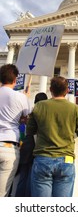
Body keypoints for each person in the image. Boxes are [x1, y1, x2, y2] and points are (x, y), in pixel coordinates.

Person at [26, 76, 78, 197]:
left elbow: (29, 131)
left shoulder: (39, 106)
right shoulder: (75, 108)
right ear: (67, 91)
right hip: (66, 159)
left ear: (50, 89)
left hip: (43, 158)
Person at [0, 64, 30, 197]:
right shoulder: (20, 97)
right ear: (15, 80)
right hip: (8, 145)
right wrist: (26, 98)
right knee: (3, 193)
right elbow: (28, 118)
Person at [15, 92, 48, 197]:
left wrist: (21, 141)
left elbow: (21, 131)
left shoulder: (28, 114)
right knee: (31, 177)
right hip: (35, 148)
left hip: (24, 147)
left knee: (23, 177)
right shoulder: (43, 114)